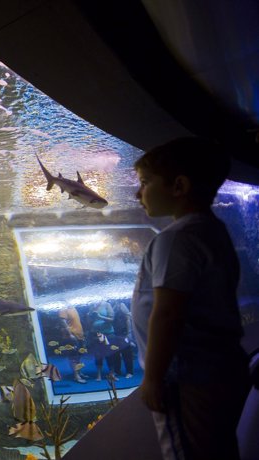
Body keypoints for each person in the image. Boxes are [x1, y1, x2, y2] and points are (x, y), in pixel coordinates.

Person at [131, 137, 250, 460]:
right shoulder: (211, 229)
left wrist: (154, 377)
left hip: (186, 377)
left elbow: (168, 313)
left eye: (144, 182)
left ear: (179, 186)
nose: (136, 193)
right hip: (216, 368)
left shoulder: (177, 238)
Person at [57, 304, 88, 383]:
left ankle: (79, 372)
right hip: (71, 336)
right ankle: (76, 376)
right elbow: (62, 321)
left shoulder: (72, 307)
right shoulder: (63, 307)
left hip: (79, 335)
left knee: (79, 355)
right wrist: (70, 334)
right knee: (73, 357)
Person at [112, 301, 135, 378]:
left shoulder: (122, 305)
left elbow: (128, 318)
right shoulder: (111, 305)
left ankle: (129, 372)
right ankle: (117, 371)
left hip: (123, 332)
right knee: (115, 354)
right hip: (114, 333)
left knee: (127, 354)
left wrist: (129, 332)